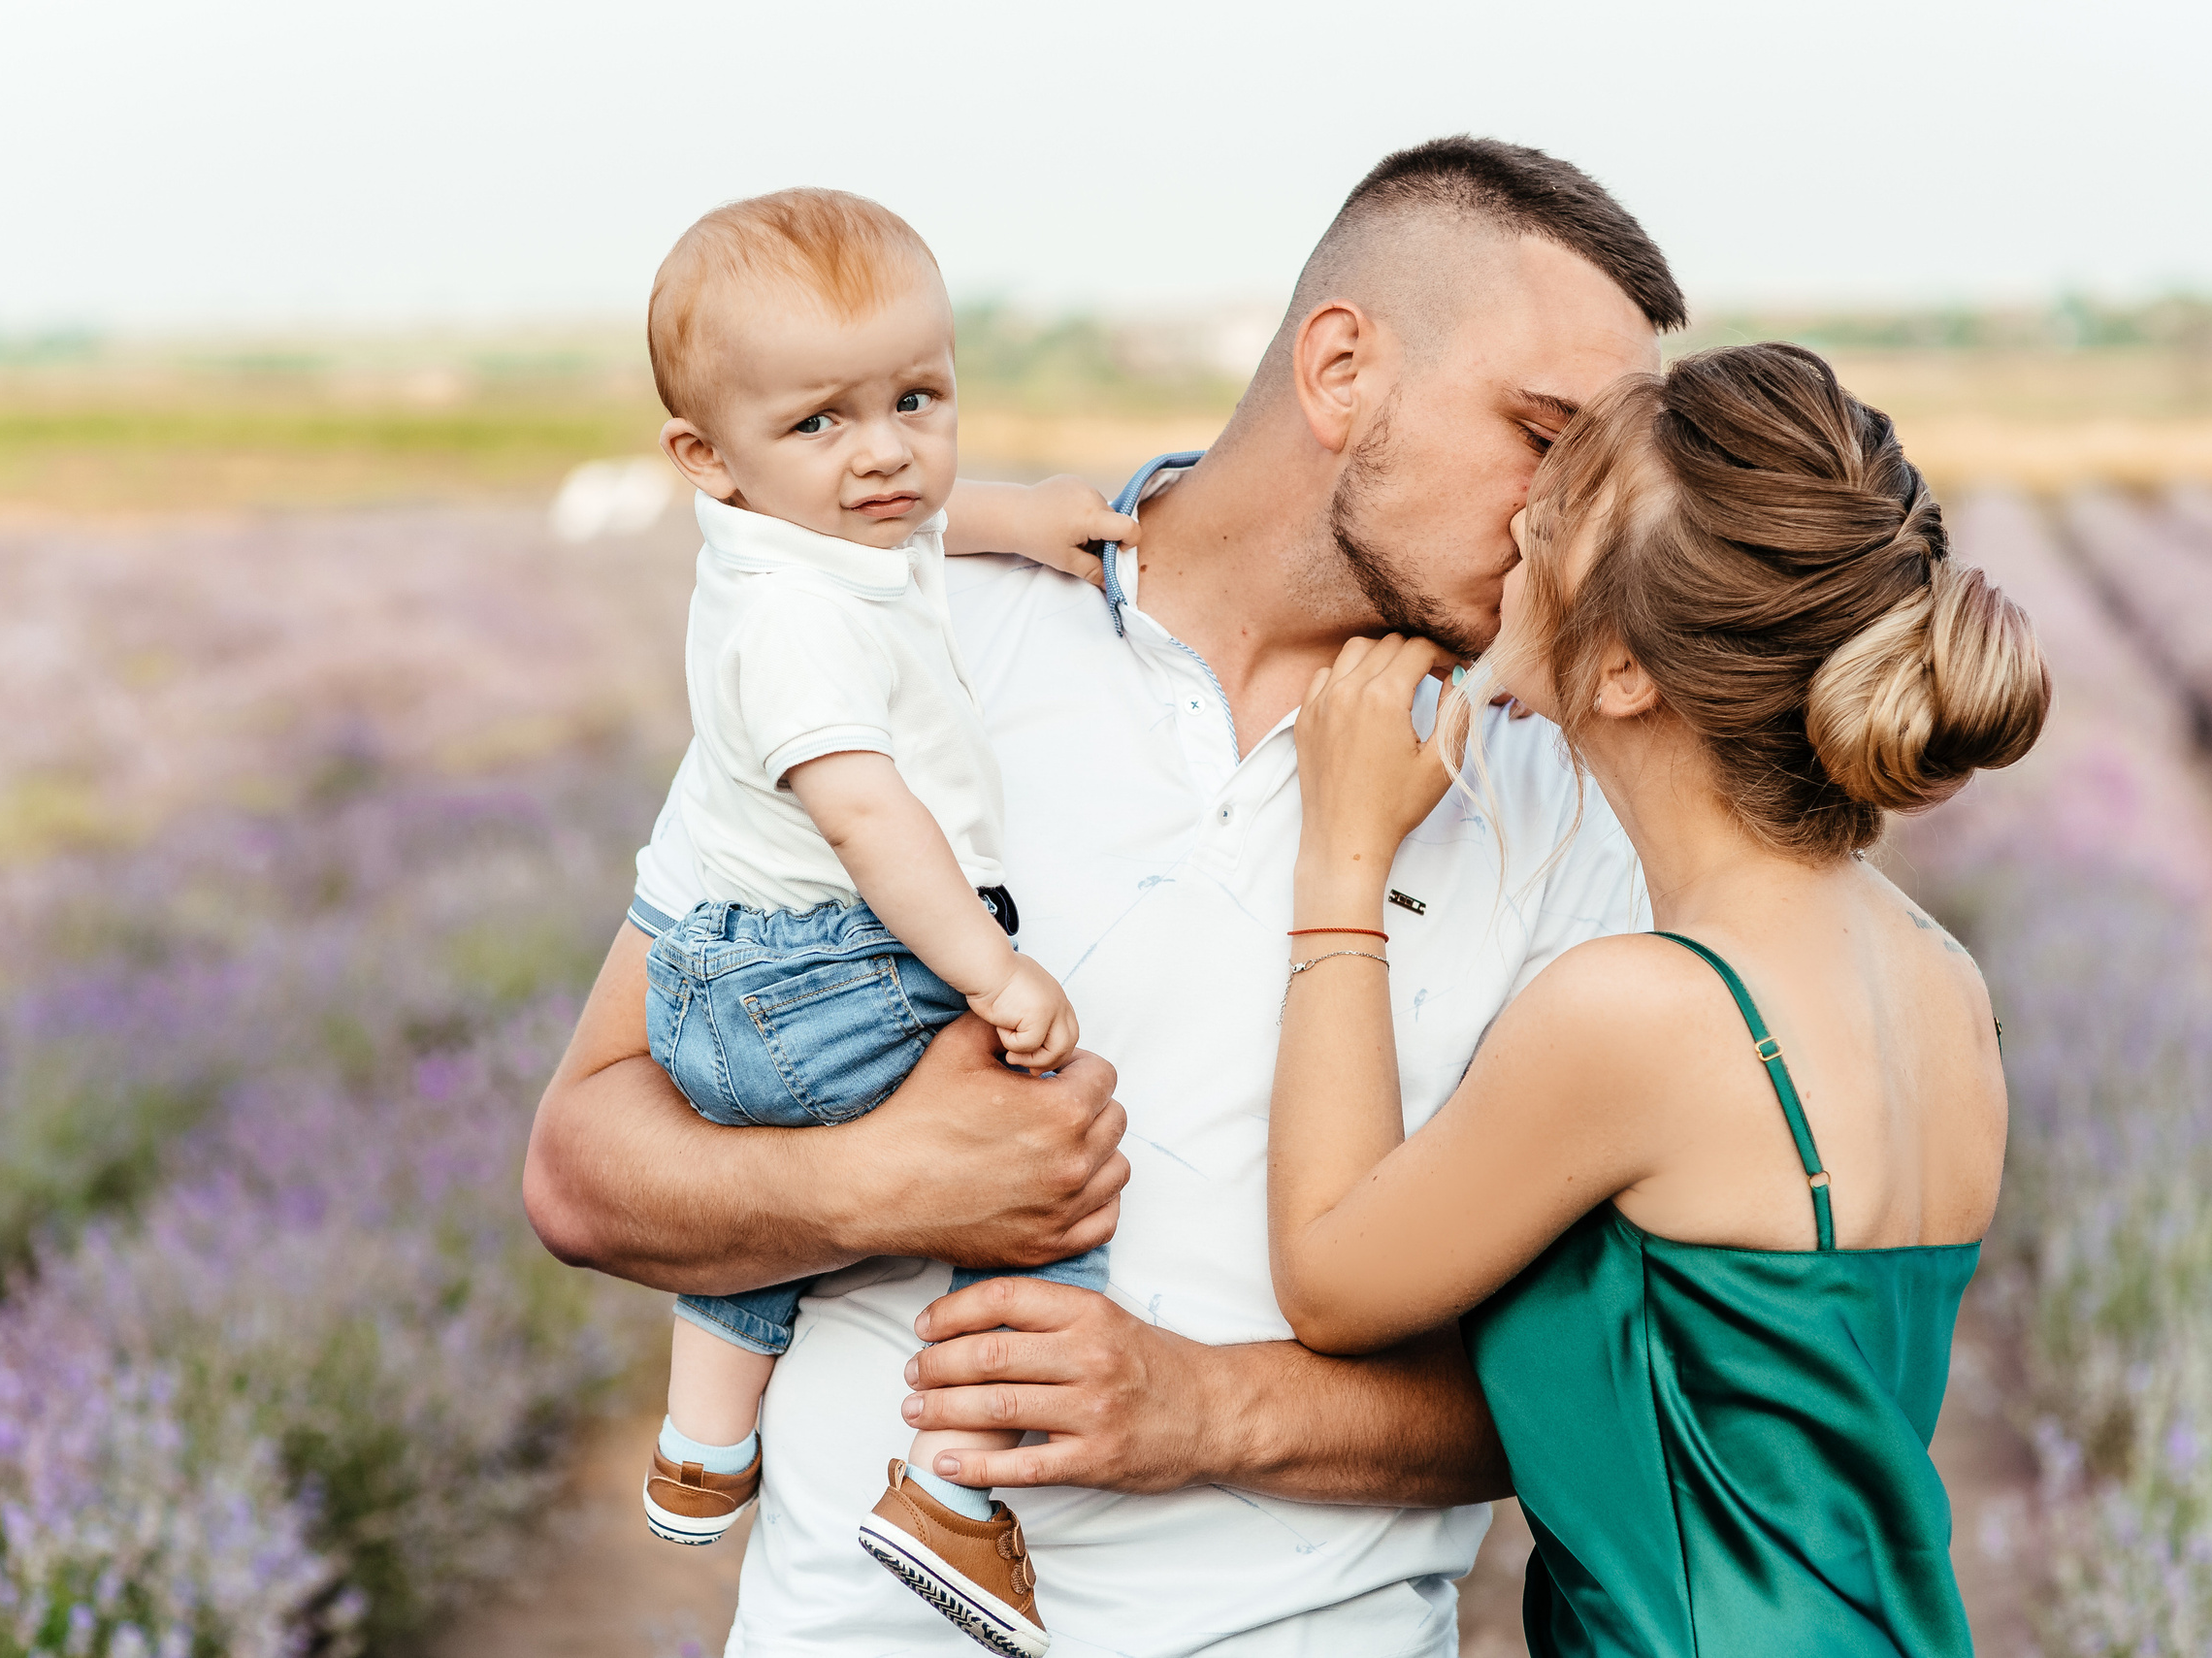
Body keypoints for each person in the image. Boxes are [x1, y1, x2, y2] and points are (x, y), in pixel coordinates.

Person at [525, 136, 1686, 1656]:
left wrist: (1207, 1409)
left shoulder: (1568, 789)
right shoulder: (902, 631)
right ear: (1341, 370)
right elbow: (581, 1162)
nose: (1571, 527)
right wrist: (888, 1180)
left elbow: (1612, 1401)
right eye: (1544, 439)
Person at [1267, 342, 2047, 1656]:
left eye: (1558, 512)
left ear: (1626, 671)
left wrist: (1341, 856)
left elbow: (1331, 1277)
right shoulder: (1943, 978)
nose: (1517, 520)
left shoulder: (1647, 1013)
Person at [630, 186, 1151, 1651]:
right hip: (814, 973)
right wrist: (993, 970)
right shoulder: (791, 627)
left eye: (917, 398)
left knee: (771, 1206)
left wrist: (1026, 518)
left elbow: (919, 520)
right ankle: (947, 1492)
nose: (885, 451)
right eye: (823, 422)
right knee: (1042, 1163)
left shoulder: (808, 536)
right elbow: (872, 822)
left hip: (718, 989)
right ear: (707, 458)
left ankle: (703, 1445)